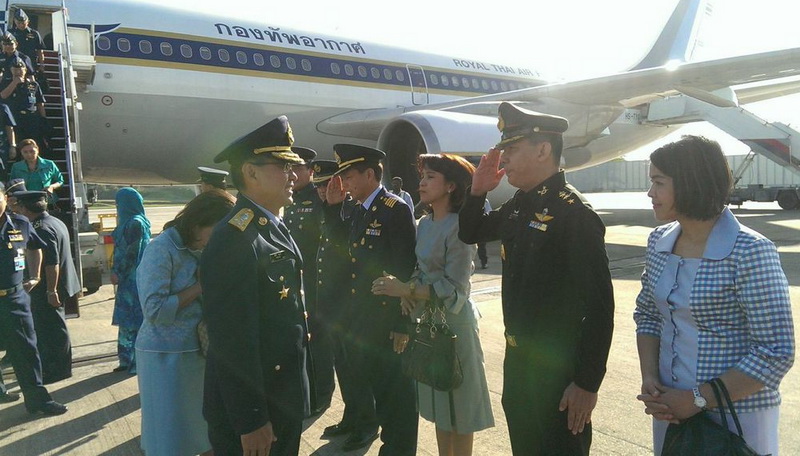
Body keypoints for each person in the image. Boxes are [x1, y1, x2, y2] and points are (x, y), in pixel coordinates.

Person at [458, 102, 615, 455]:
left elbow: (600, 307)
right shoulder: (520, 204)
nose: (504, 158)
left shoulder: (573, 213)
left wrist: (587, 383)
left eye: (512, 149)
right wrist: (477, 191)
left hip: (558, 374)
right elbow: (471, 232)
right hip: (519, 365)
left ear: (543, 150)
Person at [634, 135, 795, 456]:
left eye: (659, 182)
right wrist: (650, 378)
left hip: (737, 417)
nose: (650, 193)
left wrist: (697, 399)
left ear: (691, 183)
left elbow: (776, 351)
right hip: (671, 409)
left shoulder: (750, 250)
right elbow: (648, 315)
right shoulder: (658, 242)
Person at [200, 116, 310, 456]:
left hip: (279, 397)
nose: (293, 175)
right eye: (283, 166)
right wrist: (251, 420)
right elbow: (232, 339)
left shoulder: (269, 225)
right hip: (256, 410)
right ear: (251, 172)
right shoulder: (235, 237)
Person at [373, 153, 495, 456]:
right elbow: (421, 268)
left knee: (460, 412)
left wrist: (407, 289)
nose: (422, 183)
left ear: (451, 186)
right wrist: (408, 293)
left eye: (430, 177)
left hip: (455, 326)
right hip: (428, 321)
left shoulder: (460, 227)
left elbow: (455, 289)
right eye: (422, 177)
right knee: (440, 408)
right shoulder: (424, 223)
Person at [323, 143, 418, 454]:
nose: (345, 183)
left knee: (396, 396)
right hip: (363, 319)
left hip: (387, 321)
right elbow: (345, 253)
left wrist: (402, 324)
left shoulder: (394, 209)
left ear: (369, 174)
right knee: (380, 389)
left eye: (349, 177)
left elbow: (404, 270)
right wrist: (332, 209)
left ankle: (398, 449)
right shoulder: (357, 209)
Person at [136, 189, 235, 456]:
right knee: (172, 436)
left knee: (205, 433)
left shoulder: (200, 247)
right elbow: (153, 309)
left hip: (198, 351)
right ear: (198, 222)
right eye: (217, 230)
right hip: (166, 357)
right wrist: (200, 286)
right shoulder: (161, 249)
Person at [0, 181, 67, 415]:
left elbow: (35, 247)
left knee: (27, 351)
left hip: (14, 299)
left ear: (5, 199)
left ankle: (38, 400)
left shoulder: (20, 223)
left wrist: (36, 276)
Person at [312, 159, 366, 438]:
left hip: (350, 304)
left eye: (328, 184)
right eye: (319, 186)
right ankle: (351, 416)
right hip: (332, 304)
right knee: (343, 366)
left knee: (356, 368)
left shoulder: (353, 211)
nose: (323, 190)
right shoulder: (326, 211)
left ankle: (366, 423)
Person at [14, 190, 78, 384]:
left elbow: (52, 263)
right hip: (60, 284)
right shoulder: (55, 221)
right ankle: (58, 367)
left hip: (49, 287)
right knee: (54, 327)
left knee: (50, 330)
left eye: (19, 206)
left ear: (26, 208)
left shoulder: (41, 228)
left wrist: (51, 291)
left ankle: (57, 370)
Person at [284, 146, 329, 414]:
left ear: (311, 171)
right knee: (303, 337)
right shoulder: (290, 199)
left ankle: (322, 393)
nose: (293, 173)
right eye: (289, 168)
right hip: (295, 282)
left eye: (298, 168)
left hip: (315, 281)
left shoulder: (320, 198)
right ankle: (308, 390)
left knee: (319, 340)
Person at [110, 187, 151, 374]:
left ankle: (136, 362)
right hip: (127, 280)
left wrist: (118, 272)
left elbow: (132, 253)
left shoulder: (136, 223)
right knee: (126, 320)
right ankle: (125, 360)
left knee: (134, 319)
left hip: (133, 280)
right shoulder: (128, 222)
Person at [1, 58, 48, 152]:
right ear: (11, 70)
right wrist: (14, 83)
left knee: (33, 144)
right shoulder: (5, 82)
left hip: (31, 118)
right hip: (15, 119)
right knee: (18, 146)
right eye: (15, 70)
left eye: (20, 69)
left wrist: (43, 119)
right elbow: (3, 95)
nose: (18, 72)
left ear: (25, 70)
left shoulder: (33, 84)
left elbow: (39, 103)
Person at [10, 139, 61, 203]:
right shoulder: (16, 167)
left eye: (32, 151)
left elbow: (60, 181)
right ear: (21, 152)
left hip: (46, 201)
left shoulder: (49, 164)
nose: (29, 154)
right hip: (25, 202)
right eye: (25, 152)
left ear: (37, 150)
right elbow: (12, 185)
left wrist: (51, 187)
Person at [0, 103, 17, 182]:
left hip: (1, 147)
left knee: (2, 174)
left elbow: (9, 127)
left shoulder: (3, 107)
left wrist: (12, 146)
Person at [476, 199, 491, 269]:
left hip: (480, 227)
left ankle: (484, 262)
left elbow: (489, 212)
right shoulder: (485, 201)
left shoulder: (485, 201)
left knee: (481, 246)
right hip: (474, 226)